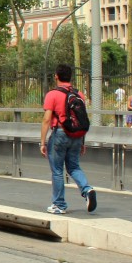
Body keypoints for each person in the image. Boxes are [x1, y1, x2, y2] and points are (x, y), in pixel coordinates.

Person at [41, 64, 97, 215]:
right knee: (74, 167)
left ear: (56, 76)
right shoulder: (79, 95)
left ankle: (59, 205)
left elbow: (46, 119)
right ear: (70, 77)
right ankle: (87, 189)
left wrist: (42, 142)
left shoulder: (52, 94)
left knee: (57, 171)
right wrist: (82, 142)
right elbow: (81, 119)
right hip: (76, 135)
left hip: (59, 133)